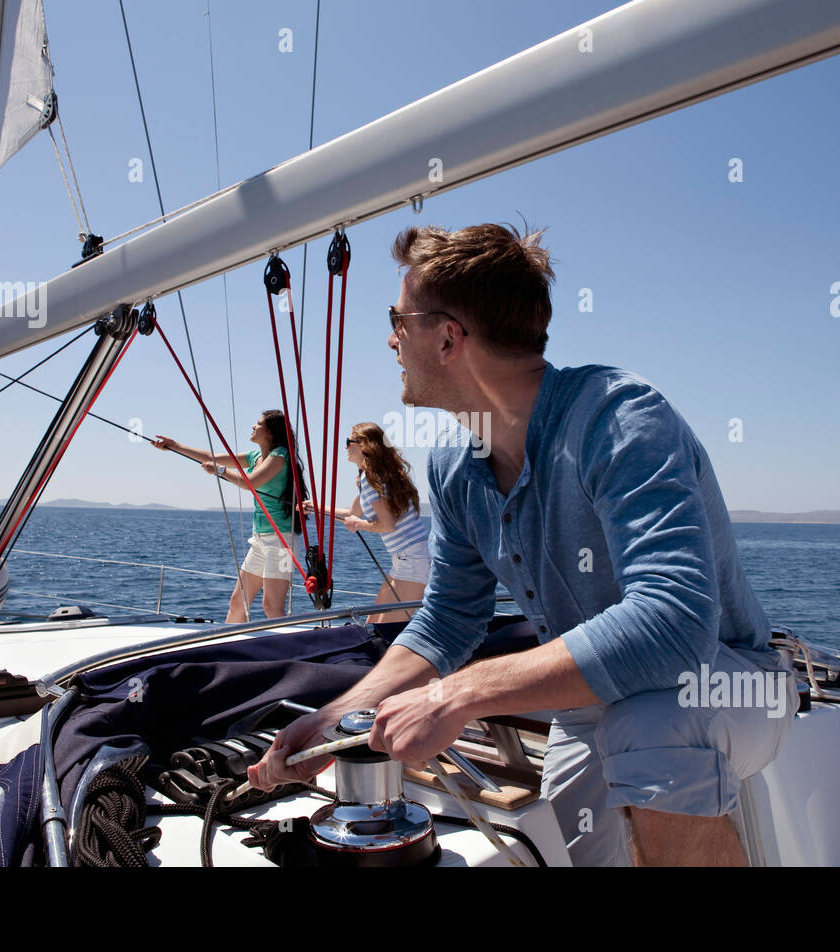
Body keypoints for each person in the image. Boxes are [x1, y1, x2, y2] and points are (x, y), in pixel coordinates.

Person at [248, 223, 798, 867]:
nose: (391, 336)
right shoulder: (454, 462)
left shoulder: (618, 421)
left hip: (730, 683)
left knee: (653, 728)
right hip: (593, 704)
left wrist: (456, 695)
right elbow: (448, 619)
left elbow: (673, 624)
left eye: (398, 318)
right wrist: (334, 717)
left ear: (449, 336)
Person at [152, 409, 308, 623]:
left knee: (272, 606)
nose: (253, 426)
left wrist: (221, 472)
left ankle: (293, 647)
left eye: (258, 423)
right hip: (259, 540)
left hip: (282, 543)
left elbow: (250, 483)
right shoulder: (255, 457)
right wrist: (175, 446)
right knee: (237, 603)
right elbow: (211, 457)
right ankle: (229, 649)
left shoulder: (280, 456)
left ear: (271, 432)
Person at [308, 422, 429, 624]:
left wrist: (359, 524)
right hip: (406, 561)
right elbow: (351, 513)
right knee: (372, 625)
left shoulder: (371, 478)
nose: (345, 447)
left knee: (387, 630)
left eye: (348, 442)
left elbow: (387, 525)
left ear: (364, 446)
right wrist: (314, 507)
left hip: (413, 562)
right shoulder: (373, 477)